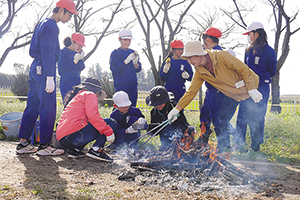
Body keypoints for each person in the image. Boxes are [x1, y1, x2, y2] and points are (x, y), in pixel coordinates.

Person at [167, 41, 262, 156]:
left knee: (254, 119)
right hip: (233, 94)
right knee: (222, 119)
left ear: (198, 54)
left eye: (190, 58)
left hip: (252, 88)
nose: (189, 61)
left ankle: (256, 149)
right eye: (187, 59)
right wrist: (177, 109)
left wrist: (252, 88)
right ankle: (225, 150)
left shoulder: (221, 56)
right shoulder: (200, 71)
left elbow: (243, 69)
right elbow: (191, 91)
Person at [16, 0, 78, 156]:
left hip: (35, 67)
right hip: (44, 69)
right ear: (62, 10)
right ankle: (44, 146)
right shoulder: (52, 26)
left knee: (33, 105)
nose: (70, 18)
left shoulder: (42, 23)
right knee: (48, 107)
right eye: (69, 14)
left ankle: (23, 143)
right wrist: (50, 76)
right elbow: (48, 53)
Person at [235, 22, 277, 154]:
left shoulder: (269, 51)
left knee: (257, 117)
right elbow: (245, 68)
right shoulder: (248, 51)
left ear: (256, 34)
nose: (248, 36)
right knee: (242, 116)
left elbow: (272, 71)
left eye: (249, 34)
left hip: (262, 88)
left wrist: (259, 80)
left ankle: (255, 148)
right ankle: (239, 144)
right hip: (247, 88)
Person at [56, 77, 117, 162]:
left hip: (63, 139)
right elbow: (93, 116)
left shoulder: (78, 96)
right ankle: (96, 150)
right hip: (74, 136)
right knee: (110, 122)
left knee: (85, 124)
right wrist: (108, 131)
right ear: (96, 91)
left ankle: (76, 150)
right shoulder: (89, 94)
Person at [199, 27, 226, 145]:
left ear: (208, 40)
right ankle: (203, 138)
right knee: (205, 114)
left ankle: (223, 146)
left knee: (217, 119)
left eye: (204, 41)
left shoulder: (213, 54)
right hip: (210, 91)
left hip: (217, 91)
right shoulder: (221, 53)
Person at [146, 86, 191, 151]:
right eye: (156, 103)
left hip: (180, 137)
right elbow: (155, 132)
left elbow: (183, 124)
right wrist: (147, 127)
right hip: (165, 141)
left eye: (161, 103)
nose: (158, 105)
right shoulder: (153, 112)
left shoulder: (173, 107)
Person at [109, 29, 142, 107]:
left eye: (129, 40)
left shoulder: (133, 52)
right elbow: (115, 69)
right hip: (121, 86)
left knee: (132, 109)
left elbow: (138, 69)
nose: (127, 42)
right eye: (125, 40)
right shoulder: (115, 53)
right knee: (120, 109)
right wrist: (125, 62)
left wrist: (135, 63)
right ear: (119, 39)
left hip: (132, 87)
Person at [58, 33, 85, 103]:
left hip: (77, 83)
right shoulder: (63, 52)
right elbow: (61, 70)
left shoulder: (76, 53)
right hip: (66, 83)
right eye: (79, 45)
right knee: (68, 105)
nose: (80, 47)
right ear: (72, 42)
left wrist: (80, 59)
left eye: (81, 46)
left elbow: (81, 68)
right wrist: (74, 62)